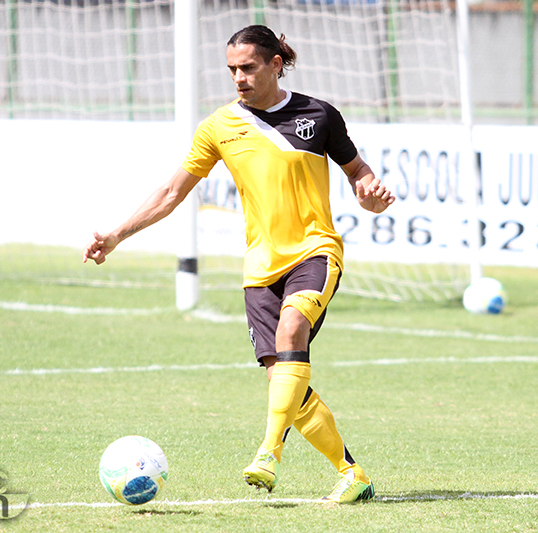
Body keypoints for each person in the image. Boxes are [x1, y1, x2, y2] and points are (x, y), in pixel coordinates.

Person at [83, 25, 395, 503]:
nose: (239, 78)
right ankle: (352, 474)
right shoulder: (218, 127)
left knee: (292, 331)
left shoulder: (319, 115)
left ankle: (269, 452)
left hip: (316, 251)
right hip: (259, 269)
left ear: (275, 64)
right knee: (282, 382)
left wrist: (370, 195)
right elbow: (172, 192)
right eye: (232, 69)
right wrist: (117, 234)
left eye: (248, 67)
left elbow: (358, 174)